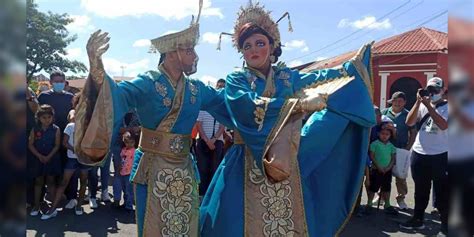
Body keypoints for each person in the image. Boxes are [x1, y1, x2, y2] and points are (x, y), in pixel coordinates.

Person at [199, 2, 375, 236]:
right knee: (234, 223)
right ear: (241, 52)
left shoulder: (286, 78)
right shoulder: (236, 80)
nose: (254, 50)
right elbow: (246, 107)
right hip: (244, 161)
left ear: (272, 47)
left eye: (260, 43)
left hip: (284, 161)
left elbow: (319, 79)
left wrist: (351, 68)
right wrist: (297, 105)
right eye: (247, 46)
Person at [74, 1, 229, 236]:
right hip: (152, 168)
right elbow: (116, 96)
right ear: (173, 53)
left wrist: (262, 102)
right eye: (189, 50)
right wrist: (97, 69)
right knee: (155, 227)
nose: (195, 56)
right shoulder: (148, 83)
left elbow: (226, 102)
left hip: (185, 168)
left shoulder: (196, 89)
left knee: (185, 226)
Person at [401, 77, 448, 235]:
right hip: (419, 153)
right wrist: (418, 103)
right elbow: (409, 122)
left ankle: (446, 225)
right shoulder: (421, 106)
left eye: (436, 90)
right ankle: (418, 219)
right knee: (420, 190)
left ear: (442, 91)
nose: (432, 93)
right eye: (430, 90)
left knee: (442, 192)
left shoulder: (449, 107)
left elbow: (443, 125)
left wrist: (429, 106)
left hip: (440, 155)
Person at [37, 71, 77, 209]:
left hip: (67, 136)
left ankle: (70, 196)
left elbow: (74, 111)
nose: (59, 83)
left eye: (61, 81)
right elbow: (38, 114)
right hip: (49, 137)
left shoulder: (70, 97)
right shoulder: (43, 96)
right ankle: (45, 196)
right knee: (49, 168)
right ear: (51, 82)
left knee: (68, 166)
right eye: (56, 81)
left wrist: (73, 113)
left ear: (65, 82)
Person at [41, 109, 90, 220]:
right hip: (72, 158)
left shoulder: (89, 126)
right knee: (64, 182)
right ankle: (52, 209)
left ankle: (79, 206)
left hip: (85, 159)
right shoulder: (70, 126)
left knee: (83, 182)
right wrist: (75, 149)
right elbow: (64, 143)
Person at [382, 91, 416, 210]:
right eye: (395, 100)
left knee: (401, 176)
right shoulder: (384, 113)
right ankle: (381, 196)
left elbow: (413, 132)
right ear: (392, 101)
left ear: (404, 102)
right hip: (385, 149)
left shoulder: (408, 115)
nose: (397, 103)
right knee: (384, 174)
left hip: (401, 149)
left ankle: (400, 199)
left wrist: (408, 147)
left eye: (400, 101)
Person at [28, 104, 62, 216]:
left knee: (51, 182)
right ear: (39, 118)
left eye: (49, 117)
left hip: (51, 159)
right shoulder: (35, 129)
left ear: (52, 117)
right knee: (38, 182)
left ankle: (53, 208)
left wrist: (48, 156)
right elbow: (30, 144)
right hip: (38, 159)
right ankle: (36, 206)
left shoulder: (56, 129)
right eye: (44, 118)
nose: (47, 120)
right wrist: (39, 156)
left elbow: (57, 145)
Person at [195, 86, 226, 195]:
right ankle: (202, 194)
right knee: (202, 168)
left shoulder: (222, 108)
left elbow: (223, 126)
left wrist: (213, 140)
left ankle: (212, 194)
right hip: (203, 141)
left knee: (215, 168)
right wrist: (207, 140)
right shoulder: (203, 108)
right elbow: (199, 125)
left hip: (217, 142)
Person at [366, 126, 397, 214]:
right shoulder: (374, 144)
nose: (384, 136)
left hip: (387, 171)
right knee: (373, 188)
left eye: (387, 134)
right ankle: (369, 204)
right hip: (376, 170)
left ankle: (387, 204)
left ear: (390, 135)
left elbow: (393, 159)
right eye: (382, 134)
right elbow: (372, 156)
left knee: (386, 188)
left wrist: (388, 168)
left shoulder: (391, 146)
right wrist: (379, 167)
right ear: (379, 134)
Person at [112, 132, 135, 212]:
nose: (129, 144)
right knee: (125, 189)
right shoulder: (123, 150)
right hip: (122, 172)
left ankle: (129, 206)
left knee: (129, 190)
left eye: (131, 142)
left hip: (130, 173)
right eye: (127, 142)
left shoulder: (134, 151)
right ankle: (125, 203)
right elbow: (121, 160)